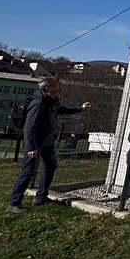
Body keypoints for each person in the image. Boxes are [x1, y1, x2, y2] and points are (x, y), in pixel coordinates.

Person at [7, 78, 91, 214]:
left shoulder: (50, 100)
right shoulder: (39, 102)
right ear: (48, 88)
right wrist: (31, 147)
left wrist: (79, 109)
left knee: (51, 166)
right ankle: (14, 203)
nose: (59, 86)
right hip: (36, 143)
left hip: (47, 141)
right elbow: (29, 127)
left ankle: (41, 197)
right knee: (28, 172)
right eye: (57, 85)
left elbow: (59, 110)